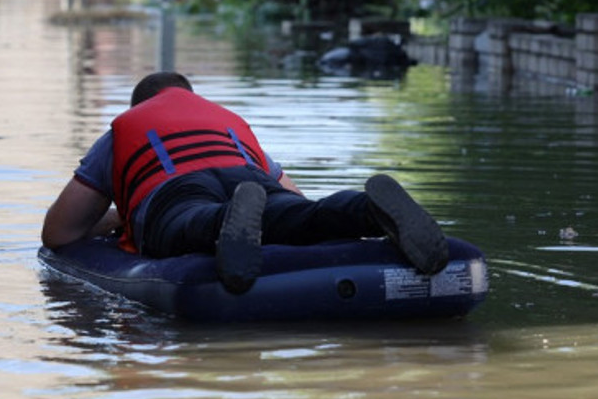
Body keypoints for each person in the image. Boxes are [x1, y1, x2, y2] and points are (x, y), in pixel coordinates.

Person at [41, 71, 448, 293]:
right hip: (249, 178)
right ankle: (366, 210)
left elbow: (59, 232)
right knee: (301, 218)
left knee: (190, 220)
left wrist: (117, 219)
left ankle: (222, 223)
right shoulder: (227, 123)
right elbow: (295, 197)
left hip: (174, 191)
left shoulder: (127, 129)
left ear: (139, 105)